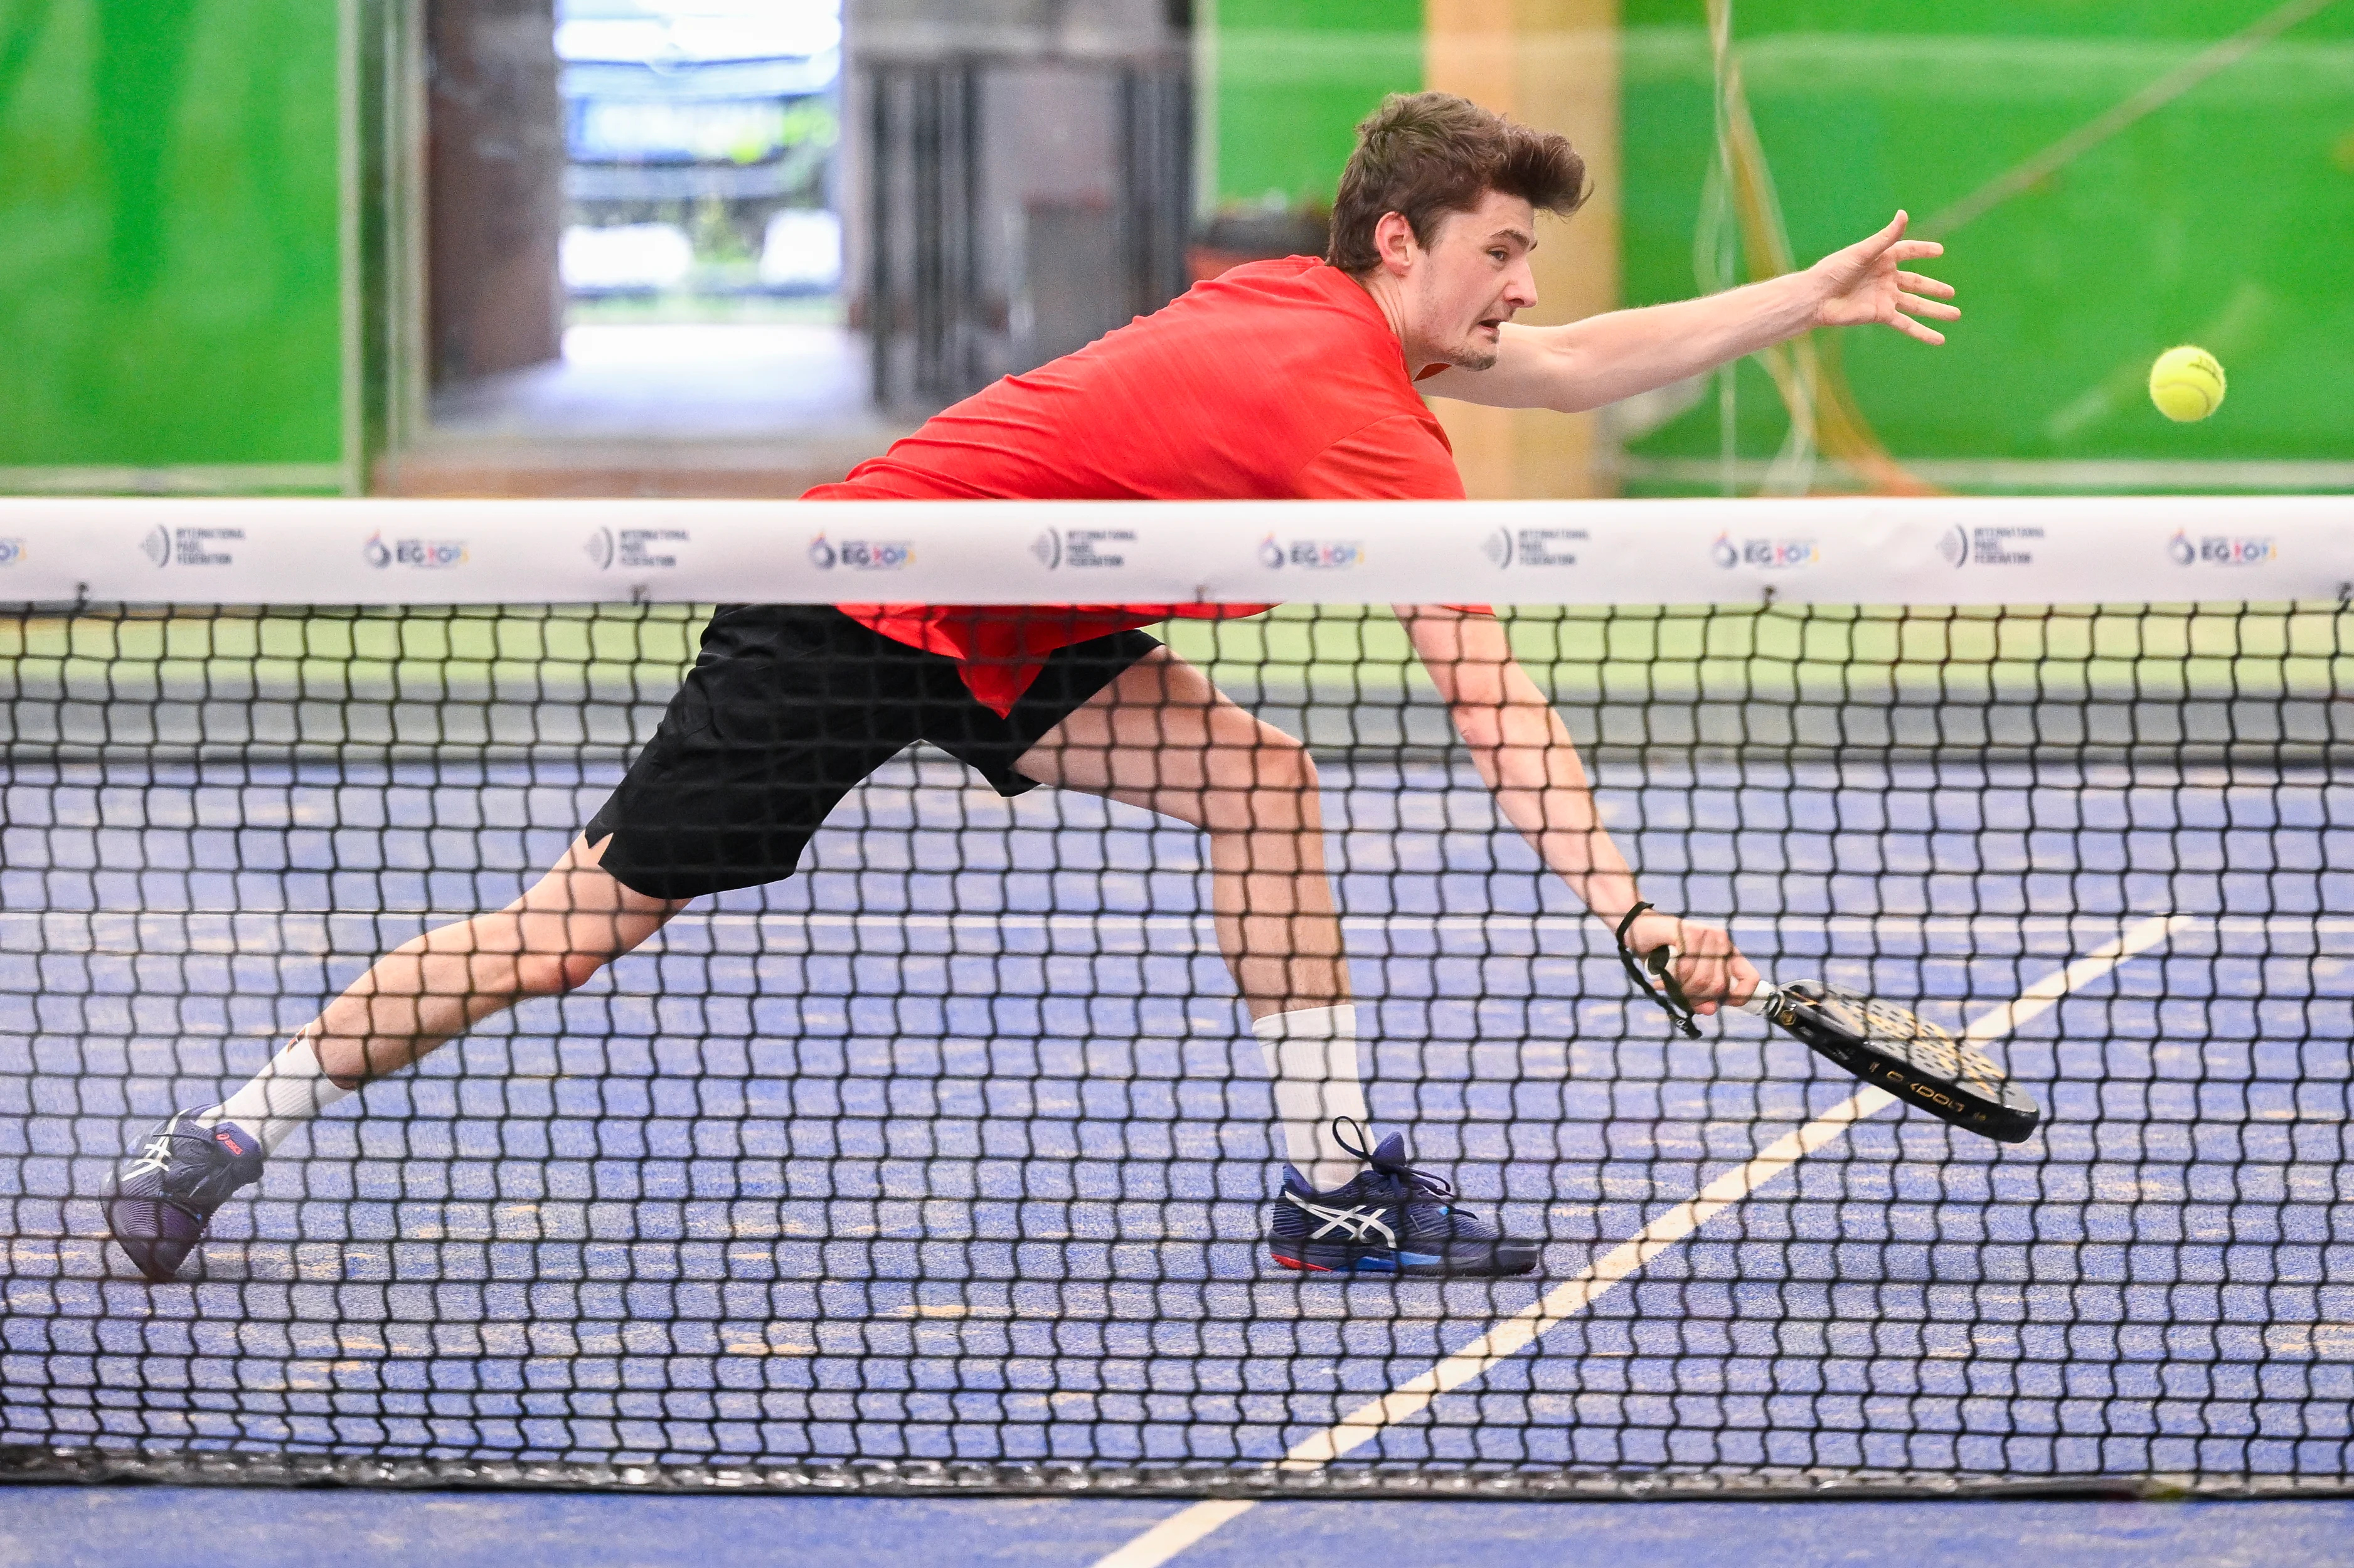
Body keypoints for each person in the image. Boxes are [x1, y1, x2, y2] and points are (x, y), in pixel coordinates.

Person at [108, 91, 1957, 1283]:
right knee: (577, 928)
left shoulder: (1336, 328)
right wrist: (1632, 907)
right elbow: (1489, 692)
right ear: (1399, 240)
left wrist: (1802, 295)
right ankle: (235, 1122)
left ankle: (1329, 1186)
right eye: (1497, 252)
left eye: (1526, 260)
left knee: (1264, 784)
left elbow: (1567, 365)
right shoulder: (1351, 403)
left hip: (1024, 618)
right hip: (858, 605)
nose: (1520, 289)